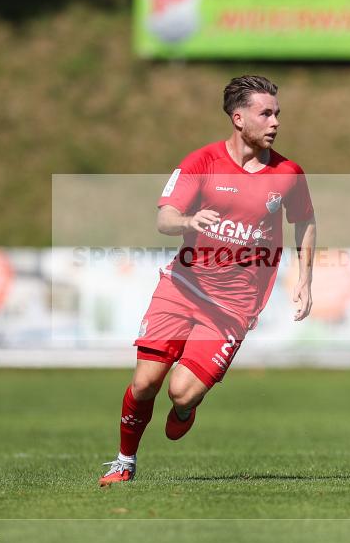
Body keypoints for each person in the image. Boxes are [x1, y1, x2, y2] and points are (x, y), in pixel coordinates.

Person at [99, 75, 317, 486]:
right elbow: (165, 218)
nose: (275, 122)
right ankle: (124, 462)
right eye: (265, 114)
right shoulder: (201, 162)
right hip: (182, 288)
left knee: (181, 392)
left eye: (277, 114)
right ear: (238, 118)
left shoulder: (288, 173)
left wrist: (305, 278)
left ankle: (185, 409)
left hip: (233, 306)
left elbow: (305, 221)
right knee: (145, 382)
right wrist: (187, 220)